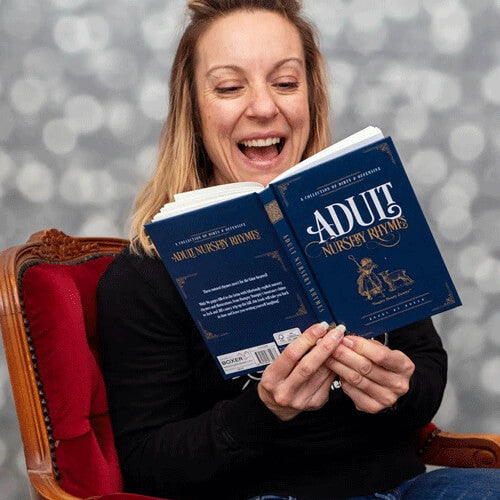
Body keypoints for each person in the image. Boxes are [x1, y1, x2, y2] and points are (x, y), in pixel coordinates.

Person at [97, 1, 499, 499]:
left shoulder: (363, 215)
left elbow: (425, 370)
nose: (264, 107)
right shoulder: (142, 275)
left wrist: (399, 390)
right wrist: (262, 410)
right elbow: (146, 464)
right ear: (193, 111)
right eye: (230, 87)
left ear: (311, 98)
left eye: (286, 83)